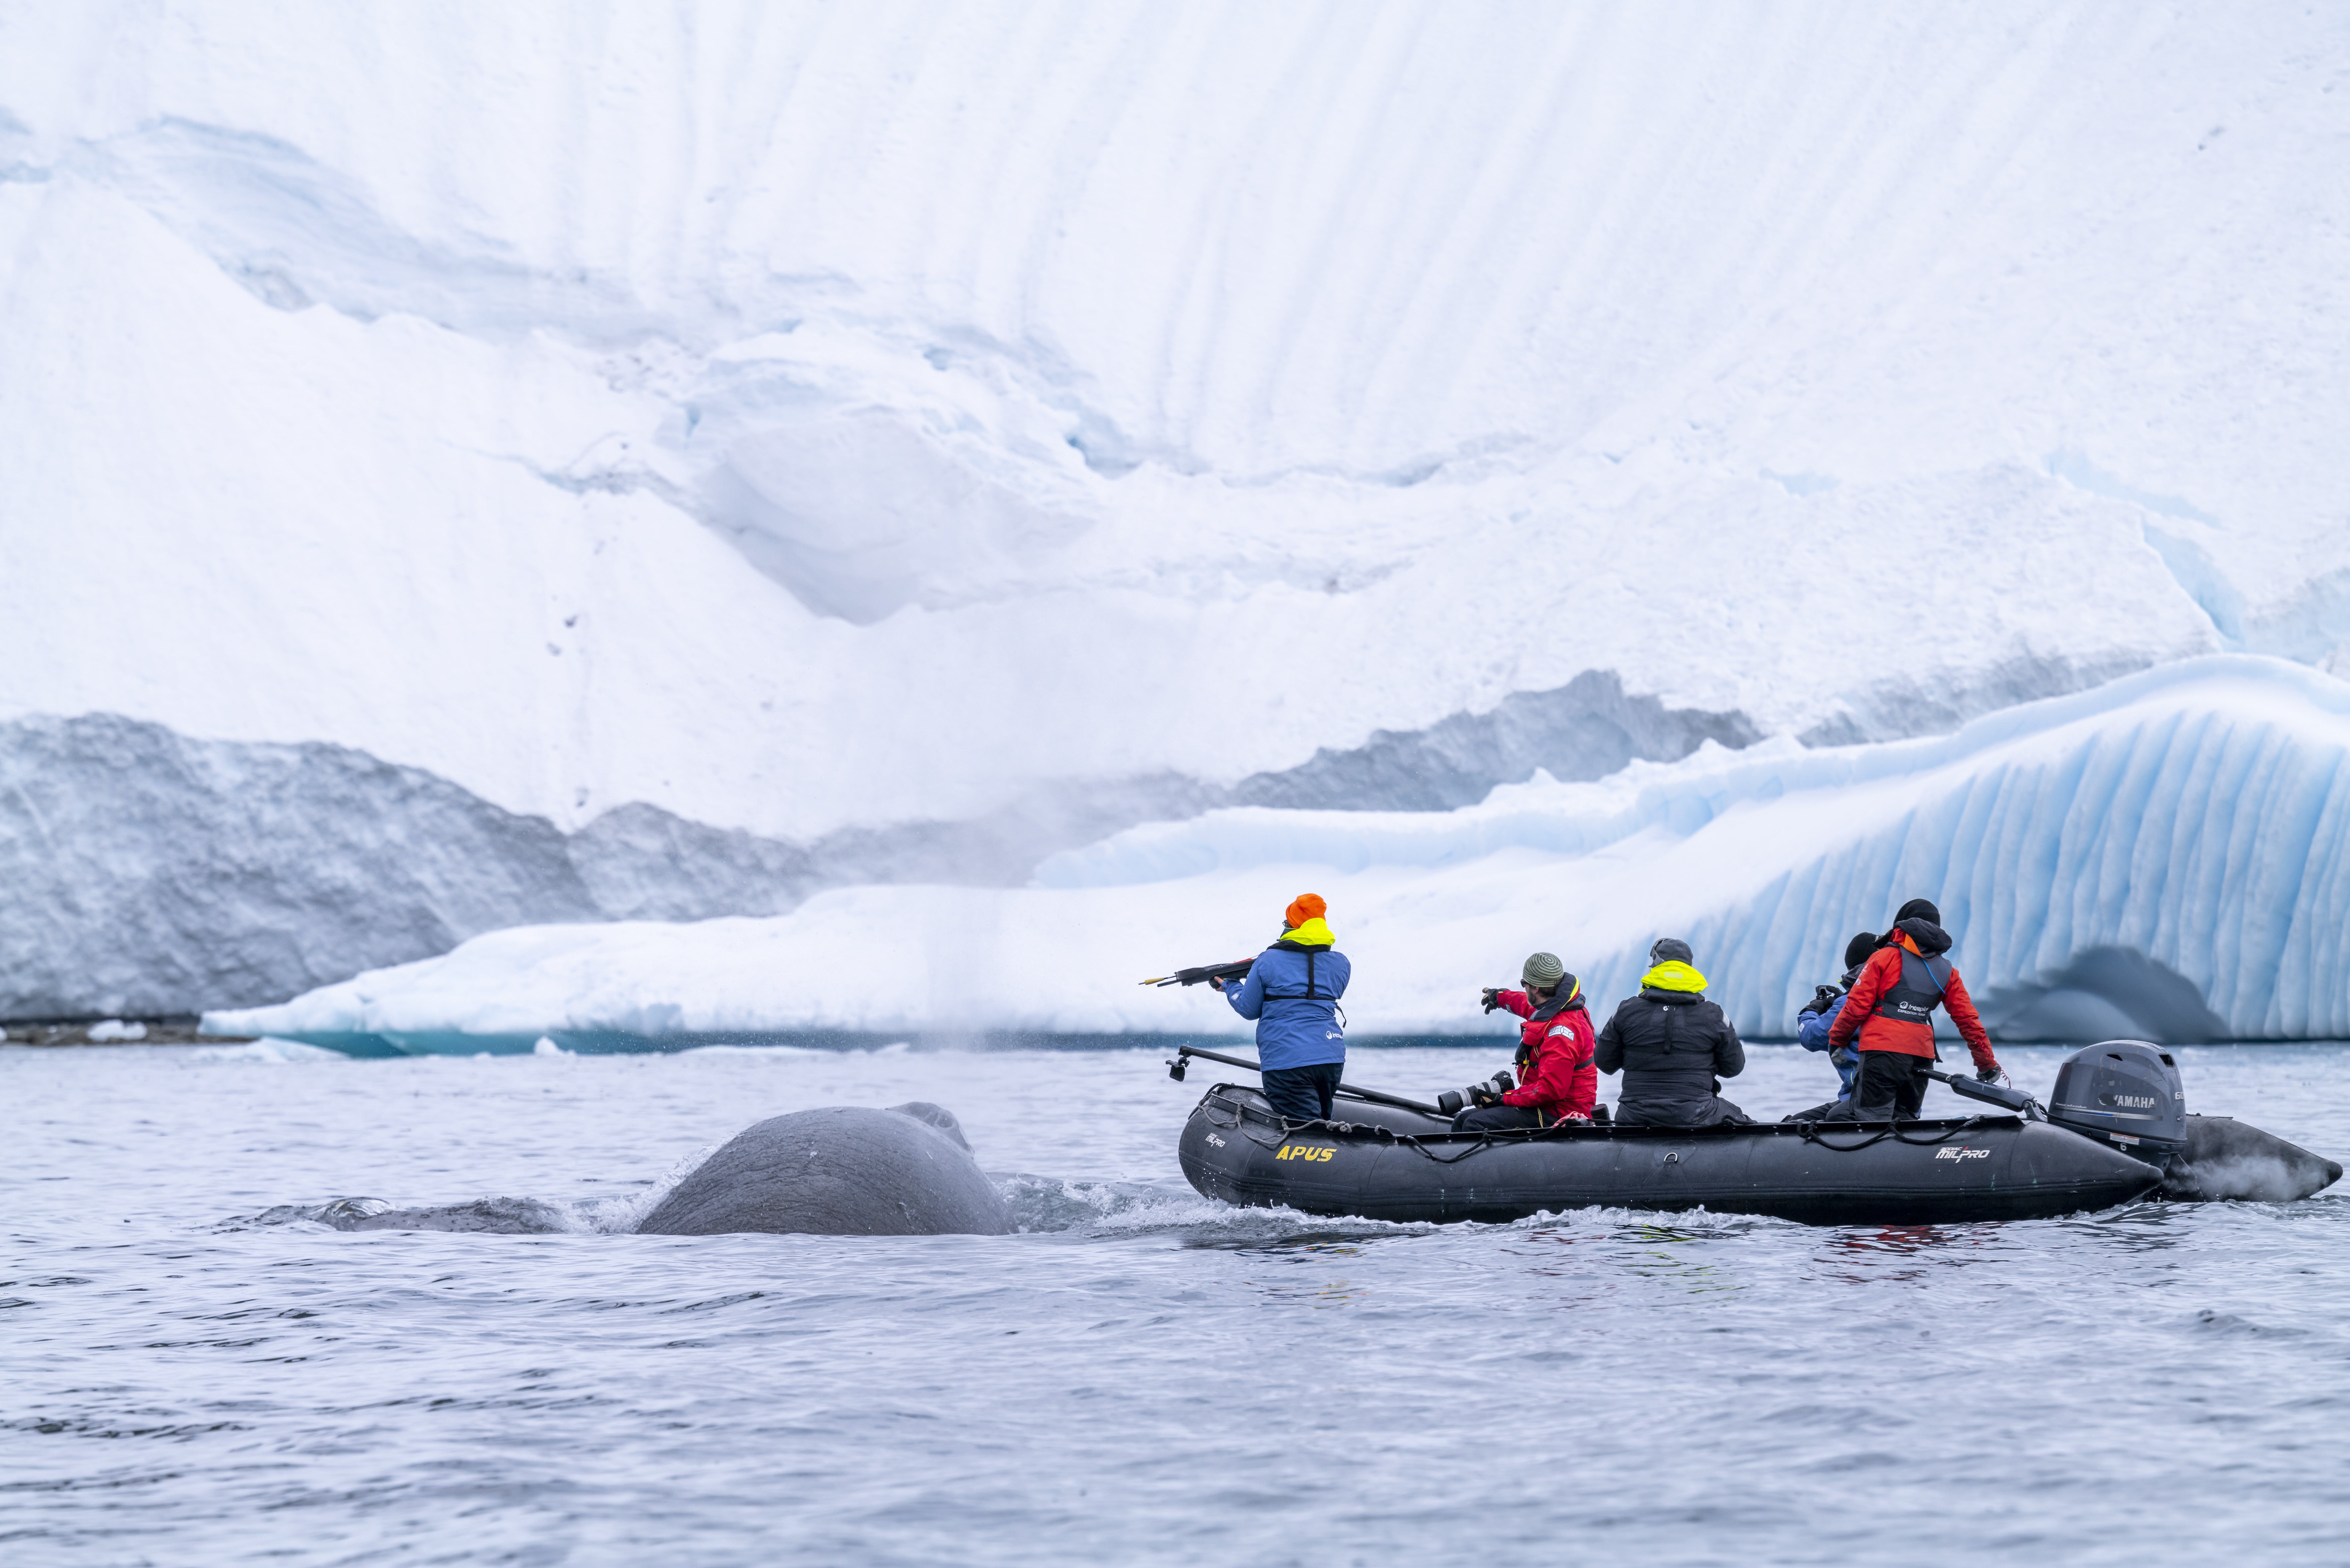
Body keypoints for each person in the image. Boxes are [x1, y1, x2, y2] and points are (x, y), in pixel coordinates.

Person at [1824, 898, 2001, 1121]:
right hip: (1920, 1057)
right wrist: (1987, 1063)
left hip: (1881, 1054)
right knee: (1905, 1123)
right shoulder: (1948, 971)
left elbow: (1855, 1007)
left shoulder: (1883, 958)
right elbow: (1968, 1021)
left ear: (1901, 925)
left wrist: (1837, 1042)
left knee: (1869, 1122)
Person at [1213, 893, 1351, 1124]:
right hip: (1331, 1058)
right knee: (1323, 1125)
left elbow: (1248, 1009)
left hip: (1287, 1062)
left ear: (1292, 925)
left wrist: (1230, 985)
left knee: (1305, 1131)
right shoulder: (1342, 962)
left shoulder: (1268, 960)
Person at [1594, 937, 1749, 1126]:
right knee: (1744, 1122)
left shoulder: (1626, 1010)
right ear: (1689, 967)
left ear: (1657, 965)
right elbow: (1734, 1068)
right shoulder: (1714, 1014)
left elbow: (1605, 1063)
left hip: (1633, 1115)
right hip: (1697, 1114)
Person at [1456, 952, 1598, 1131]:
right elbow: (1527, 1004)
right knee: (1461, 1121)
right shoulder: (1558, 1005)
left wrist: (1503, 1099)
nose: (1524, 988)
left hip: (1558, 1114)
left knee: (1473, 1124)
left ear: (1536, 988)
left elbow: (1550, 1090)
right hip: (1545, 1105)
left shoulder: (1561, 1034)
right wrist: (1500, 997)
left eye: (1525, 984)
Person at [1784, 931, 1879, 1121]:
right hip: (1890, 1097)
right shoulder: (1894, 995)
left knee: (1808, 1124)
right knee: (1798, 1121)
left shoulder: (1853, 1001)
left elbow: (1811, 1037)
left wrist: (1811, 1010)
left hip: (1865, 1099)